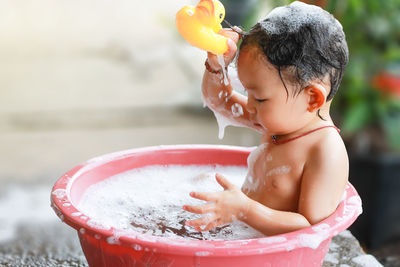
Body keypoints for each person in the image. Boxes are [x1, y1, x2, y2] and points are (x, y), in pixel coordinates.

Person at [182, 1, 350, 236]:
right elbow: (220, 102)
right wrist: (216, 65)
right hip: (242, 235)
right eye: (247, 93)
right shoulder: (280, 122)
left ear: (312, 98)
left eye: (259, 99)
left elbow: (312, 226)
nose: (249, 105)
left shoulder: (324, 150)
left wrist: (245, 210)